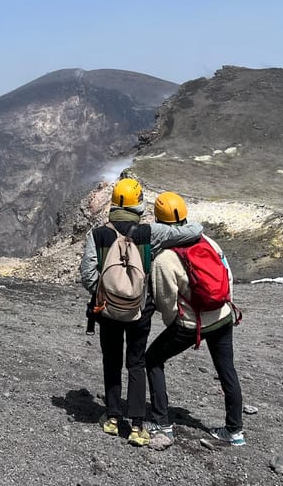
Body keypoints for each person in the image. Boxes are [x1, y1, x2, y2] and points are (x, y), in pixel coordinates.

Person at [79, 178, 204, 446]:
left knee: (111, 360)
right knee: (136, 362)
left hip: (108, 310)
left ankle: (112, 418)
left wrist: (105, 295)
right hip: (141, 311)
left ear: (114, 202)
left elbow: (87, 275)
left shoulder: (98, 234)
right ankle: (137, 426)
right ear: (138, 203)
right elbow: (193, 232)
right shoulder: (150, 233)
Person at [144, 191, 246, 446]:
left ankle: (162, 423)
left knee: (153, 359)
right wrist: (222, 306)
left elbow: (166, 300)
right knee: (227, 371)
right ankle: (235, 431)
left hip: (192, 323)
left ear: (158, 220)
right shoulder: (208, 241)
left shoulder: (165, 258)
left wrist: (174, 324)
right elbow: (227, 276)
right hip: (223, 316)